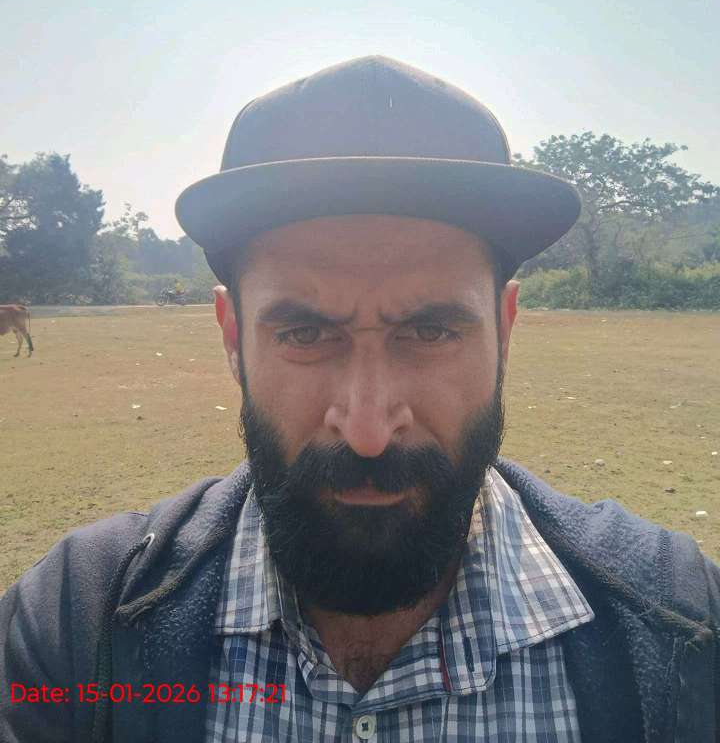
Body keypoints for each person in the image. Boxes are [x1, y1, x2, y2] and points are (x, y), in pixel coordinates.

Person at [1, 56, 718, 743]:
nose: (369, 429)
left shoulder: (685, 631)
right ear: (232, 337)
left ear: (504, 330)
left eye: (431, 331)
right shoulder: (76, 626)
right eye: (306, 334)